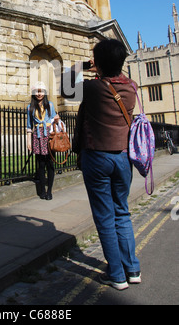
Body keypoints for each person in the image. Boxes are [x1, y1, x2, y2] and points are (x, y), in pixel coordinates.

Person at [73, 39, 141, 291]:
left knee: (105, 216)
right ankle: (132, 269)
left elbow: (65, 82)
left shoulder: (92, 89)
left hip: (97, 156)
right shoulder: (131, 87)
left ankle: (116, 274)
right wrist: (105, 66)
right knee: (122, 212)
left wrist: (83, 66)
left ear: (98, 63)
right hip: (123, 157)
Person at [27, 82, 60, 200]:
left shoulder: (50, 105)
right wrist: (29, 142)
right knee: (41, 165)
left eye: (41, 91)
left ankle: (50, 191)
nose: (39, 94)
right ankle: (42, 191)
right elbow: (29, 126)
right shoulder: (30, 107)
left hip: (48, 136)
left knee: (50, 164)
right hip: (37, 136)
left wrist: (55, 119)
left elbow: (54, 119)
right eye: (37, 91)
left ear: (44, 93)